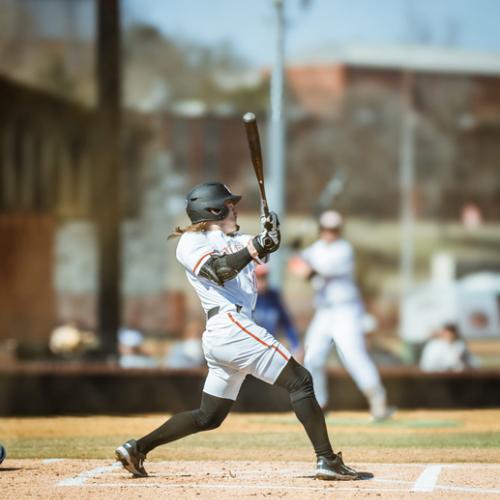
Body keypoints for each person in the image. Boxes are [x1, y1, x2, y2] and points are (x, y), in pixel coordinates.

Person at [115, 182, 361, 480]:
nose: (235, 208)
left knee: (209, 417)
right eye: (229, 205)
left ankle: (137, 448)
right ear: (213, 209)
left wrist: (270, 233)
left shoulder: (238, 238)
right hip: (231, 325)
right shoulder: (192, 243)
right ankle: (326, 459)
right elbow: (219, 270)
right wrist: (256, 246)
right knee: (301, 381)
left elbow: (262, 247)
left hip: (227, 334)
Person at [289, 210, 394, 421]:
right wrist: (293, 249)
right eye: (327, 229)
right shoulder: (317, 248)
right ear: (321, 230)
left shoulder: (343, 250)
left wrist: (298, 258)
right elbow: (296, 264)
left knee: (353, 356)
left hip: (346, 311)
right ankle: (319, 405)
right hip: (324, 311)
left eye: (334, 229)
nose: (330, 233)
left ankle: (378, 402)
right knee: (312, 357)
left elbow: (309, 272)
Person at [253, 264, 302, 358]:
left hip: (270, 348)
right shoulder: (247, 299)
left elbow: (286, 323)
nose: (262, 281)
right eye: (258, 277)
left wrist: (295, 345)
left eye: (264, 277)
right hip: (251, 349)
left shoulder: (273, 296)